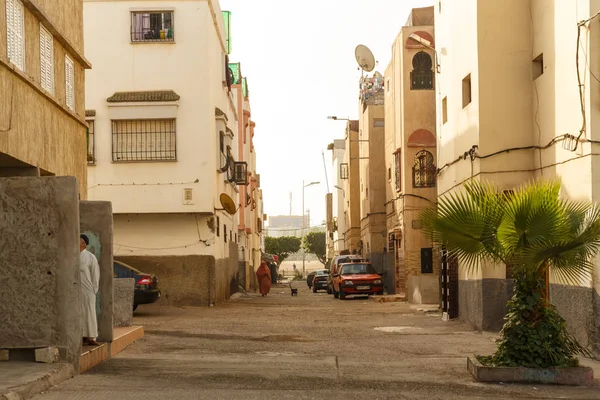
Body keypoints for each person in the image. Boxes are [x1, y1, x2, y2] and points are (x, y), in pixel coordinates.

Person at [80, 234, 100, 346]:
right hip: (77, 290)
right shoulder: (73, 256)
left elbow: (95, 275)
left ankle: (91, 337)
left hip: (88, 290)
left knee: (89, 313)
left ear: (83, 243)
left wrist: (94, 290)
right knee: (79, 313)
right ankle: (82, 336)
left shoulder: (90, 257)